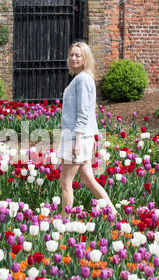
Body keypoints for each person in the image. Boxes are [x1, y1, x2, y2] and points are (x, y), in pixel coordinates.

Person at [57, 41, 118, 220]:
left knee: (66, 182)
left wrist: (77, 141)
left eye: (78, 55)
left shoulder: (82, 79)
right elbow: (90, 112)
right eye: (72, 55)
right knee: (88, 180)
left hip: (77, 137)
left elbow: (83, 113)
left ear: (86, 58)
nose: (74, 58)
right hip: (84, 137)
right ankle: (114, 213)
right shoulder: (83, 78)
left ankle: (64, 221)